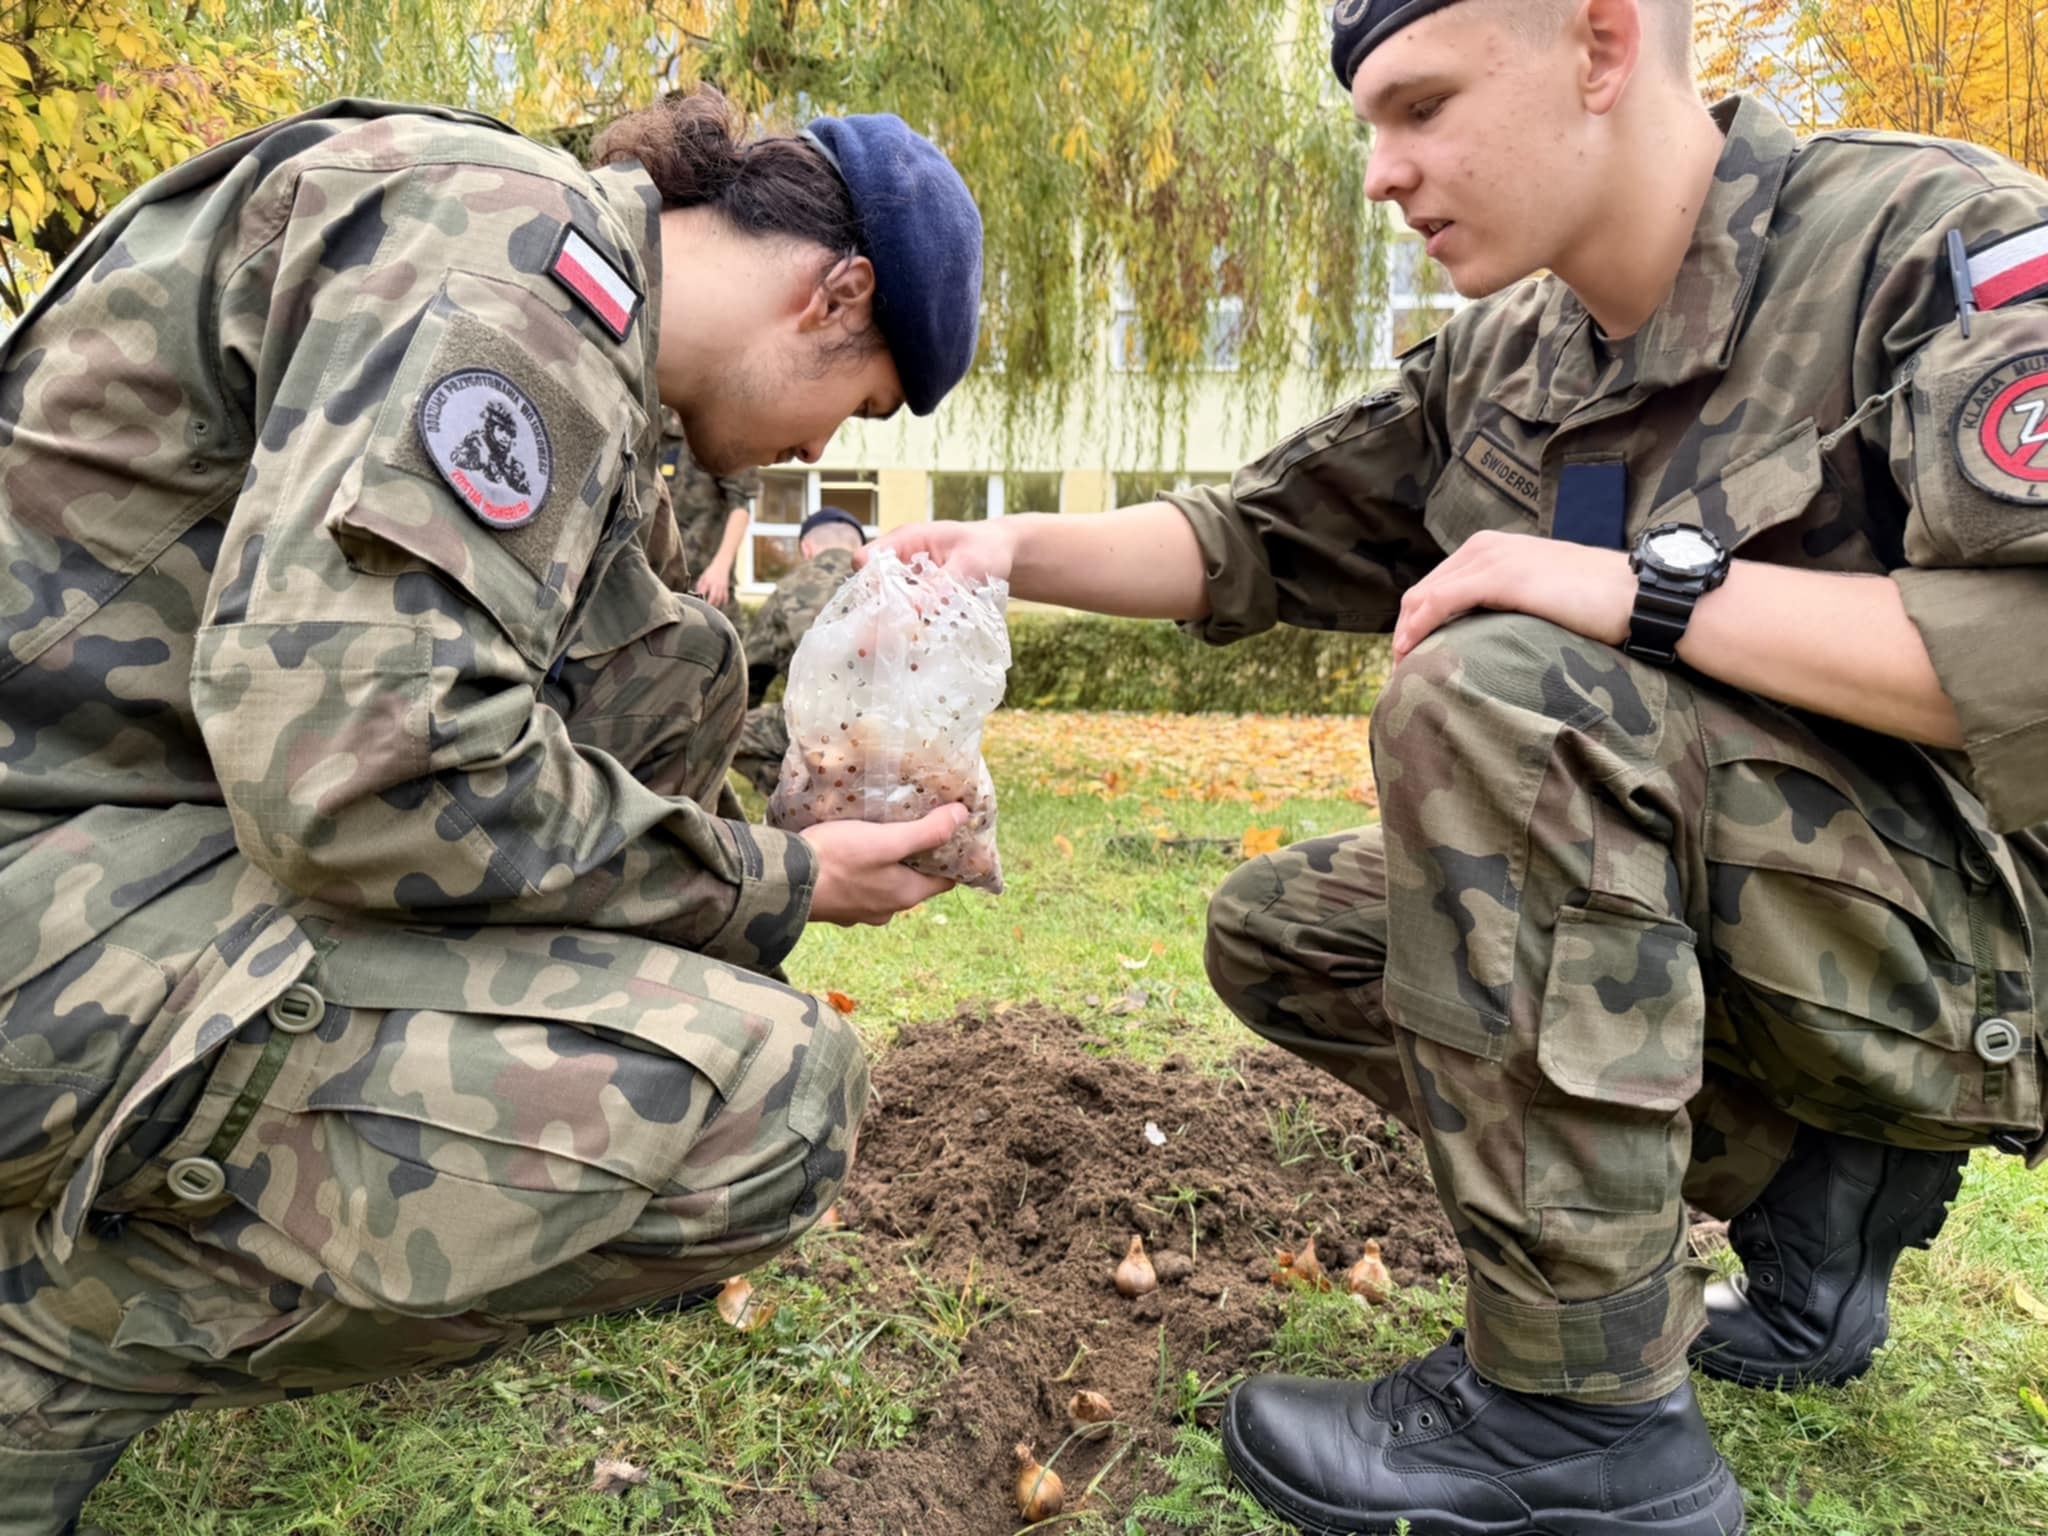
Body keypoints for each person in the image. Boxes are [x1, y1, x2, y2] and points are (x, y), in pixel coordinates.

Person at [874, 0, 2048, 1529]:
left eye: (1421, 108)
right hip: (1789, 933)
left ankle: (1577, 1421)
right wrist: (999, 547)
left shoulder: (1932, 241)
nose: (1381, 171)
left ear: (1603, 45)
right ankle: (1814, 1192)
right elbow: (1255, 536)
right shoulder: (1510, 359)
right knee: (1297, 934)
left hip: (1981, 959)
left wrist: (1645, 592)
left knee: (1507, 682)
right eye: (1371, 122)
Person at [0, 83, 981, 1533]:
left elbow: (575, 700)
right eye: (860, 404)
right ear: (837, 294)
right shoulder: (515, 257)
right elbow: (367, 781)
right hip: (47, 899)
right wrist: (779, 881)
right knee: (767, 1101)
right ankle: (43, 1343)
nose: (809, 454)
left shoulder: (534, 270)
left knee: (676, 689)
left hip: (88, 854)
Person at [732, 507, 868, 797]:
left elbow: (749, 676)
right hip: (902, 732)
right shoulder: (890, 583)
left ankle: (805, 795)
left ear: (807, 548)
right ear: (861, 547)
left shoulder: (788, 590)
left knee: (727, 730)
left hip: (823, 729)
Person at [658, 406, 760, 625]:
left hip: (704, 579)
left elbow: (740, 506)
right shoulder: (655, 425)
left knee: (715, 648)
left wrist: (720, 567)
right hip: (656, 578)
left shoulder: (723, 429)